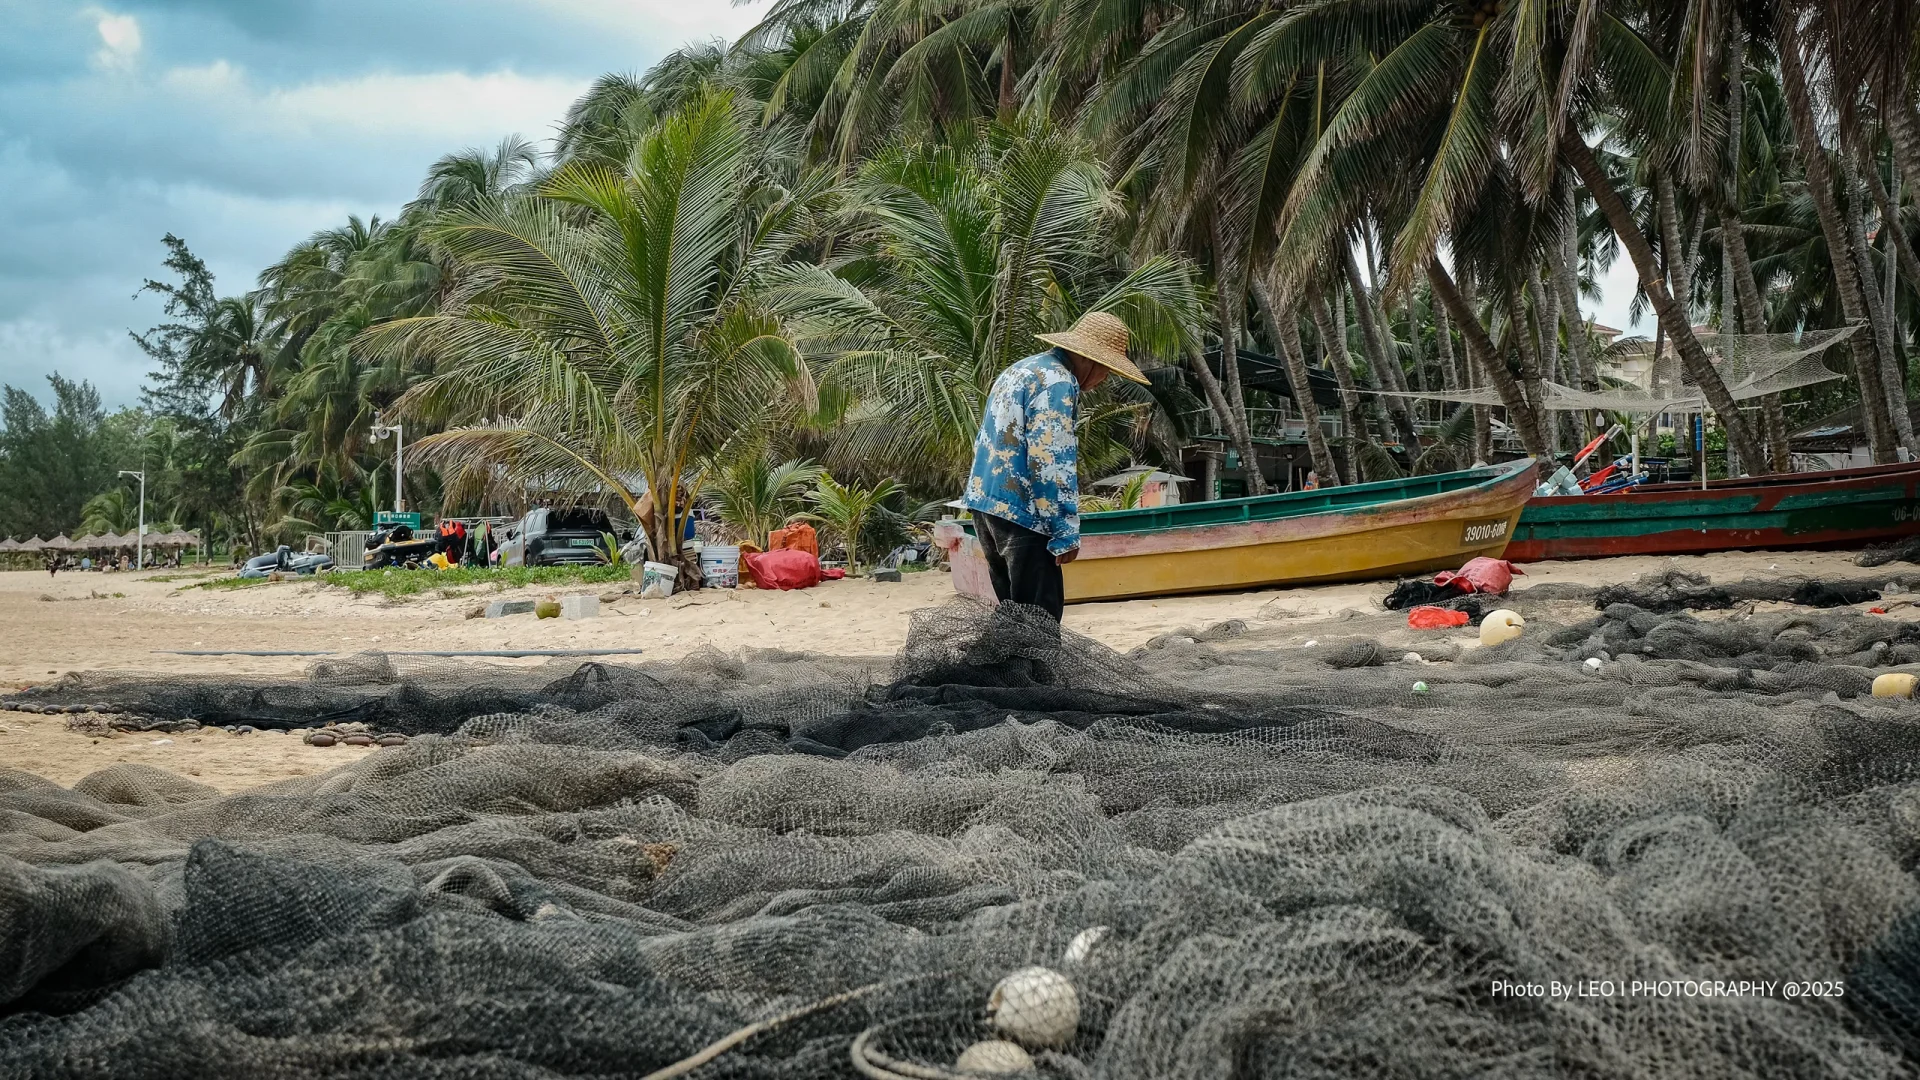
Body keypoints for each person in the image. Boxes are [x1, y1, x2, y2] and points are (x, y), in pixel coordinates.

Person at [962, 311, 1148, 621]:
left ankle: (1015, 671)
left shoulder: (1020, 370)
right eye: (1107, 372)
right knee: (1038, 623)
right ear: (1091, 362)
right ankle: (1036, 672)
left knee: (1014, 619)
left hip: (987, 507)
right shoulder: (1057, 383)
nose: (1104, 381)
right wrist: (1064, 531)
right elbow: (1050, 460)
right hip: (1024, 514)